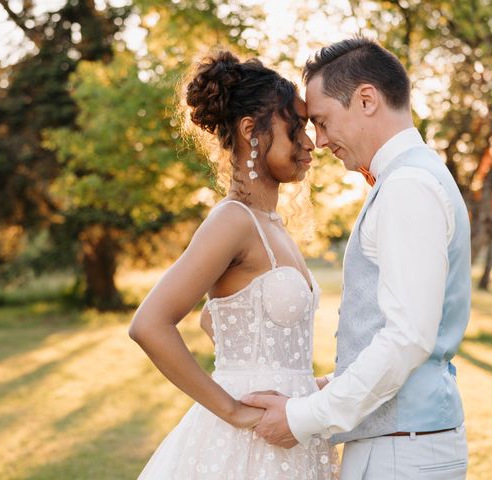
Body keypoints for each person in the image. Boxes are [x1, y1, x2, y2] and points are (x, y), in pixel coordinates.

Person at [242, 37, 471, 479]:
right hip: (399, 445)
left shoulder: (407, 187)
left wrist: (301, 419)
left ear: (366, 99)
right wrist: (325, 387)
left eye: (324, 122)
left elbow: (407, 338)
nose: (321, 141)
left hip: (402, 454)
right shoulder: (413, 177)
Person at [129, 51, 339, 479]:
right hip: (245, 447)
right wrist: (234, 410)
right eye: (295, 127)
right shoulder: (232, 220)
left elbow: (219, 318)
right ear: (251, 131)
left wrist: (301, 385)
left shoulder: (272, 226)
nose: (310, 143)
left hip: (290, 429)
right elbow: (149, 324)